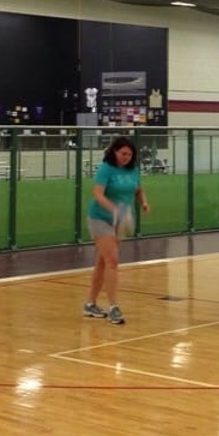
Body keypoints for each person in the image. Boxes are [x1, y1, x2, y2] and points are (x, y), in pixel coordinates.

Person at [84, 136, 149, 325]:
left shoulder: (133, 170)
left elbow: (138, 190)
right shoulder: (106, 169)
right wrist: (114, 210)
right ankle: (113, 307)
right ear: (115, 152)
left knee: (102, 263)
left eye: (129, 154)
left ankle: (90, 304)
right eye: (123, 153)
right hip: (100, 218)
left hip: (119, 221)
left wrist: (143, 202)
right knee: (112, 260)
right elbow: (97, 193)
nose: (126, 157)